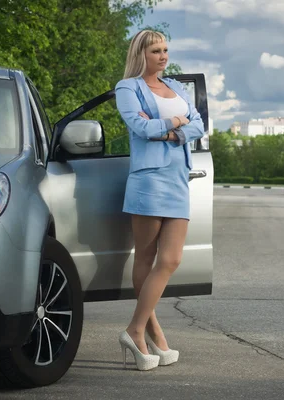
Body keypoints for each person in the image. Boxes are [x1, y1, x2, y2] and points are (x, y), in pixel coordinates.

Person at [114, 30, 205, 371]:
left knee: (171, 259)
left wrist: (170, 129)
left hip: (178, 178)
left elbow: (198, 125)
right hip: (149, 180)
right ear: (142, 53)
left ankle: (136, 330)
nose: (163, 56)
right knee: (146, 258)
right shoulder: (128, 88)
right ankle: (151, 336)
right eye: (156, 50)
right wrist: (175, 125)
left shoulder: (177, 88)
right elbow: (140, 128)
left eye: (166, 49)